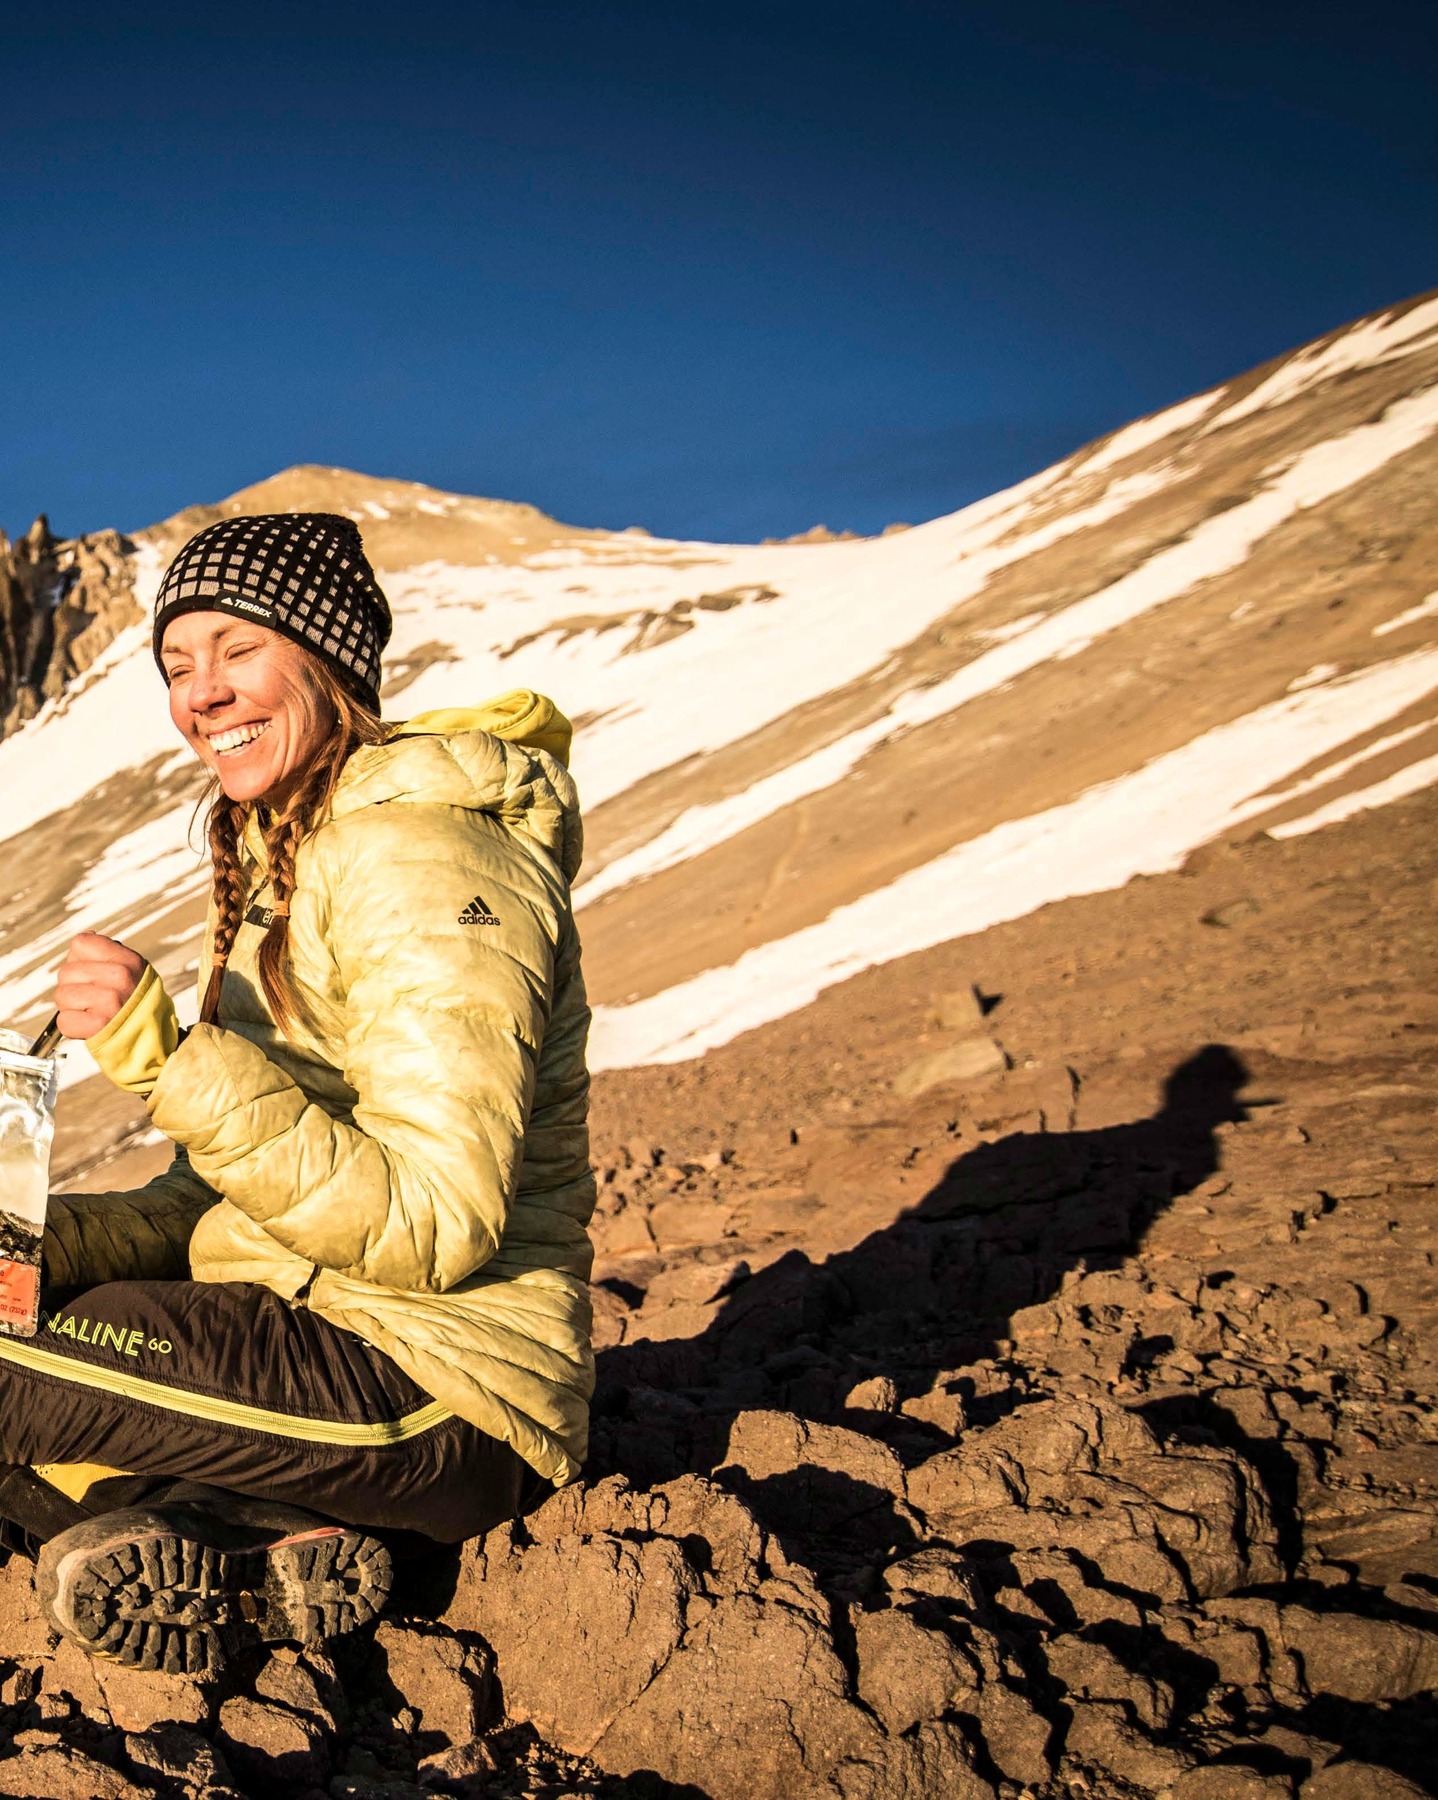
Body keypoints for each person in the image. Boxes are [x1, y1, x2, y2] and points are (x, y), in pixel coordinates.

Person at [0, 513, 595, 1676]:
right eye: (178, 665)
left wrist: (167, 1060)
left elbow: (434, 1221)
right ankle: (246, 1540)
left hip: (438, 1389)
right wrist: (39, 1243)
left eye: (237, 650)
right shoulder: (288, 855)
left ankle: (224, 1521)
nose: (202, 694)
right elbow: (212, 1205)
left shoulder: (422, 855)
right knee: (25, 1320)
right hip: (313, 1348)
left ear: (327, 662)